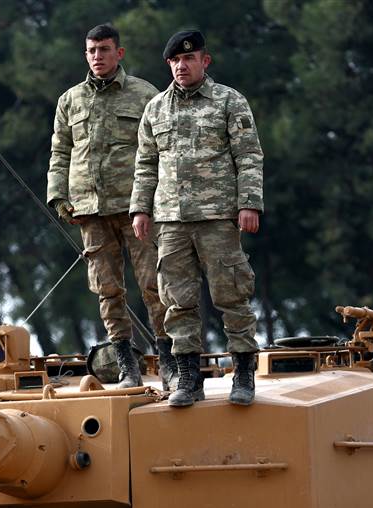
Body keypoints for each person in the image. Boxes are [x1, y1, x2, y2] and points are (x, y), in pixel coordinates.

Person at [129, 29, 263, 407]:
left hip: (218, 216)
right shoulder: (155, 109)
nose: (181, 66)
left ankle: (244, 372)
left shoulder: (228, 101)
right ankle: (188, 378)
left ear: (205, 60)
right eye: (175, 61)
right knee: (177, 299)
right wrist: (140, 209)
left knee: (232, 294)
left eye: (189, 59)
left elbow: (249, 155)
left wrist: (248, 203)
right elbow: (145, 164)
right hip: (171, 220)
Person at [47, 23, 175, 389]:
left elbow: (160, 152)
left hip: (137, 207)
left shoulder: (145, 95)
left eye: (104, 49)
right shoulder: (70, 101)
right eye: (91, 50)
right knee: (107, 289)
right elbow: (60, 151)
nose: (97, 57)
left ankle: (167, 359)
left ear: (119, 53)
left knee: (154, 284)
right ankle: (125, 363)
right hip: (90, 208)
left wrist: (155, 200)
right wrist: (58, 195)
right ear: (85, 54)